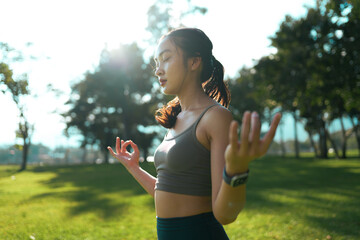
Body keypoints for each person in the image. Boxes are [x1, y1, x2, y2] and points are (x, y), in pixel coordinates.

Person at [108, 28, 281, 240]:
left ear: (194, 62)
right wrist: (133, 168)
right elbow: (168, 193)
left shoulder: (215, 117)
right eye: (156, 63)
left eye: (166, 59)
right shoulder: (177, 119)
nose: (158, 70)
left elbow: (224, 214)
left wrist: (237, 171)